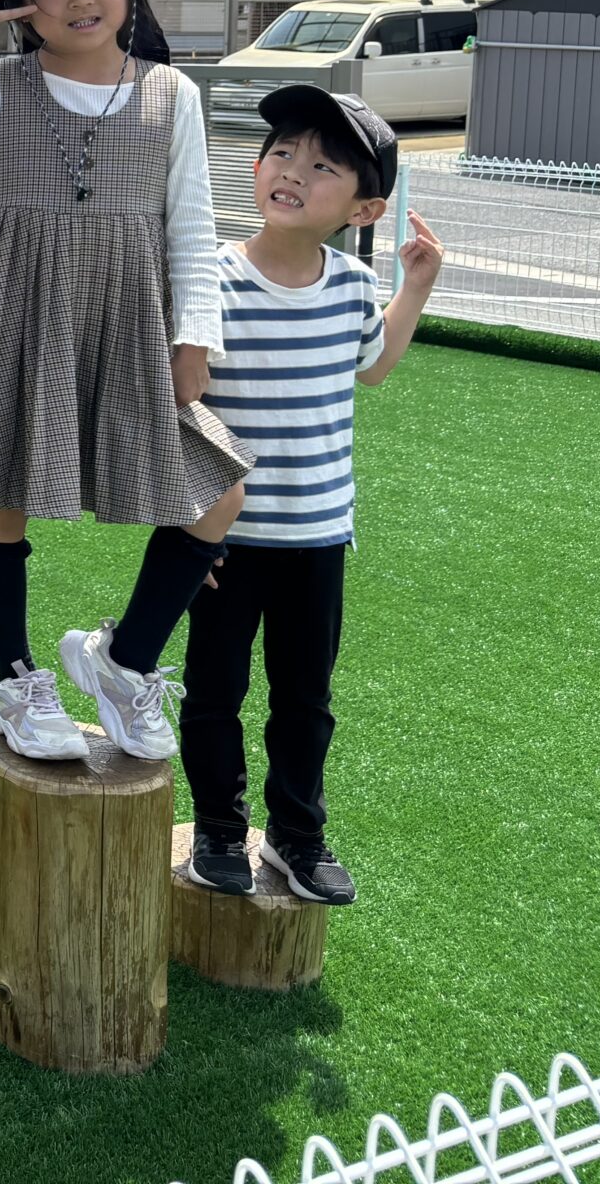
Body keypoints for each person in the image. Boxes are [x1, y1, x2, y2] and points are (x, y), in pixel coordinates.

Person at [0, 0, 252, 763]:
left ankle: (123, 659)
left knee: (217, 489)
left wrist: (195, 339)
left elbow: (195, 224)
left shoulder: (171, 92)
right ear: (21, 1)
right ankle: (13, 680)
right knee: (4, 496)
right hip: (10, 314)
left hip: (126, 321)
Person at [180, 88, 442, 906]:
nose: (292, 171)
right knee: (216, 690)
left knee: (305, 698)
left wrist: (416, 290)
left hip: (319, 536)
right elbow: (176, 410)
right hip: (225, 541)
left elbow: (375, 364)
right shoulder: (211, 280)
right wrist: (189, 528)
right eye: (283, 152)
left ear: (364, 206)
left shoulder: (353, 287)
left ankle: (297, 835)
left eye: (323, 166)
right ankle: (221, 830)